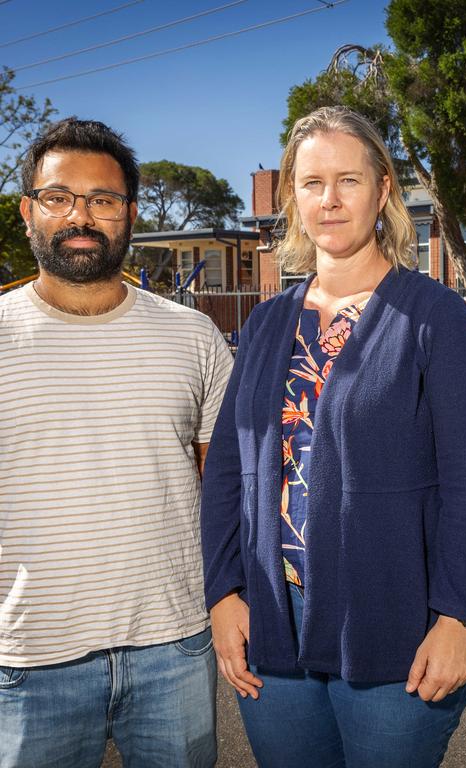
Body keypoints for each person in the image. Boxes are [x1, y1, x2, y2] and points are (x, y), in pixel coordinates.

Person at [200, 107, 466, 768]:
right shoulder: (267, 322)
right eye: (311, 183)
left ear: (383, 190)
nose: (329, 199)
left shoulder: (436, 317)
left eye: (348, 181)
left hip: (395, 630)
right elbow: (227, 471)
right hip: (273, 631)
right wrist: (222, 595)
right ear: (293, 198)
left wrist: (457, 619)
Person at [0, 118, 232, 766]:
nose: (81, 216)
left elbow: (227, 492)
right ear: (28, 211)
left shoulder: (196, 339)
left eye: (102, 200)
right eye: (58, 198)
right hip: (26, 665)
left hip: (175, 651)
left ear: (130, 213)